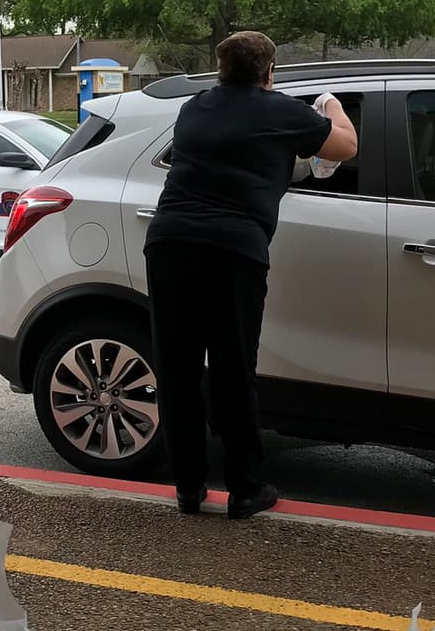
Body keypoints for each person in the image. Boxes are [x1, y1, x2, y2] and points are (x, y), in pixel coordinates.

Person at [144, 31, 358, 519]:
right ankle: (244, 488)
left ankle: (188, 489)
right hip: (233, 251)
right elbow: (345, 147)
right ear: (269, 72)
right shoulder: (280, 111)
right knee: (232, 367)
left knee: (177, 368)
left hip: (170, 243)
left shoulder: (195, 108)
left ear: (221, 71)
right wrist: (330, 106)